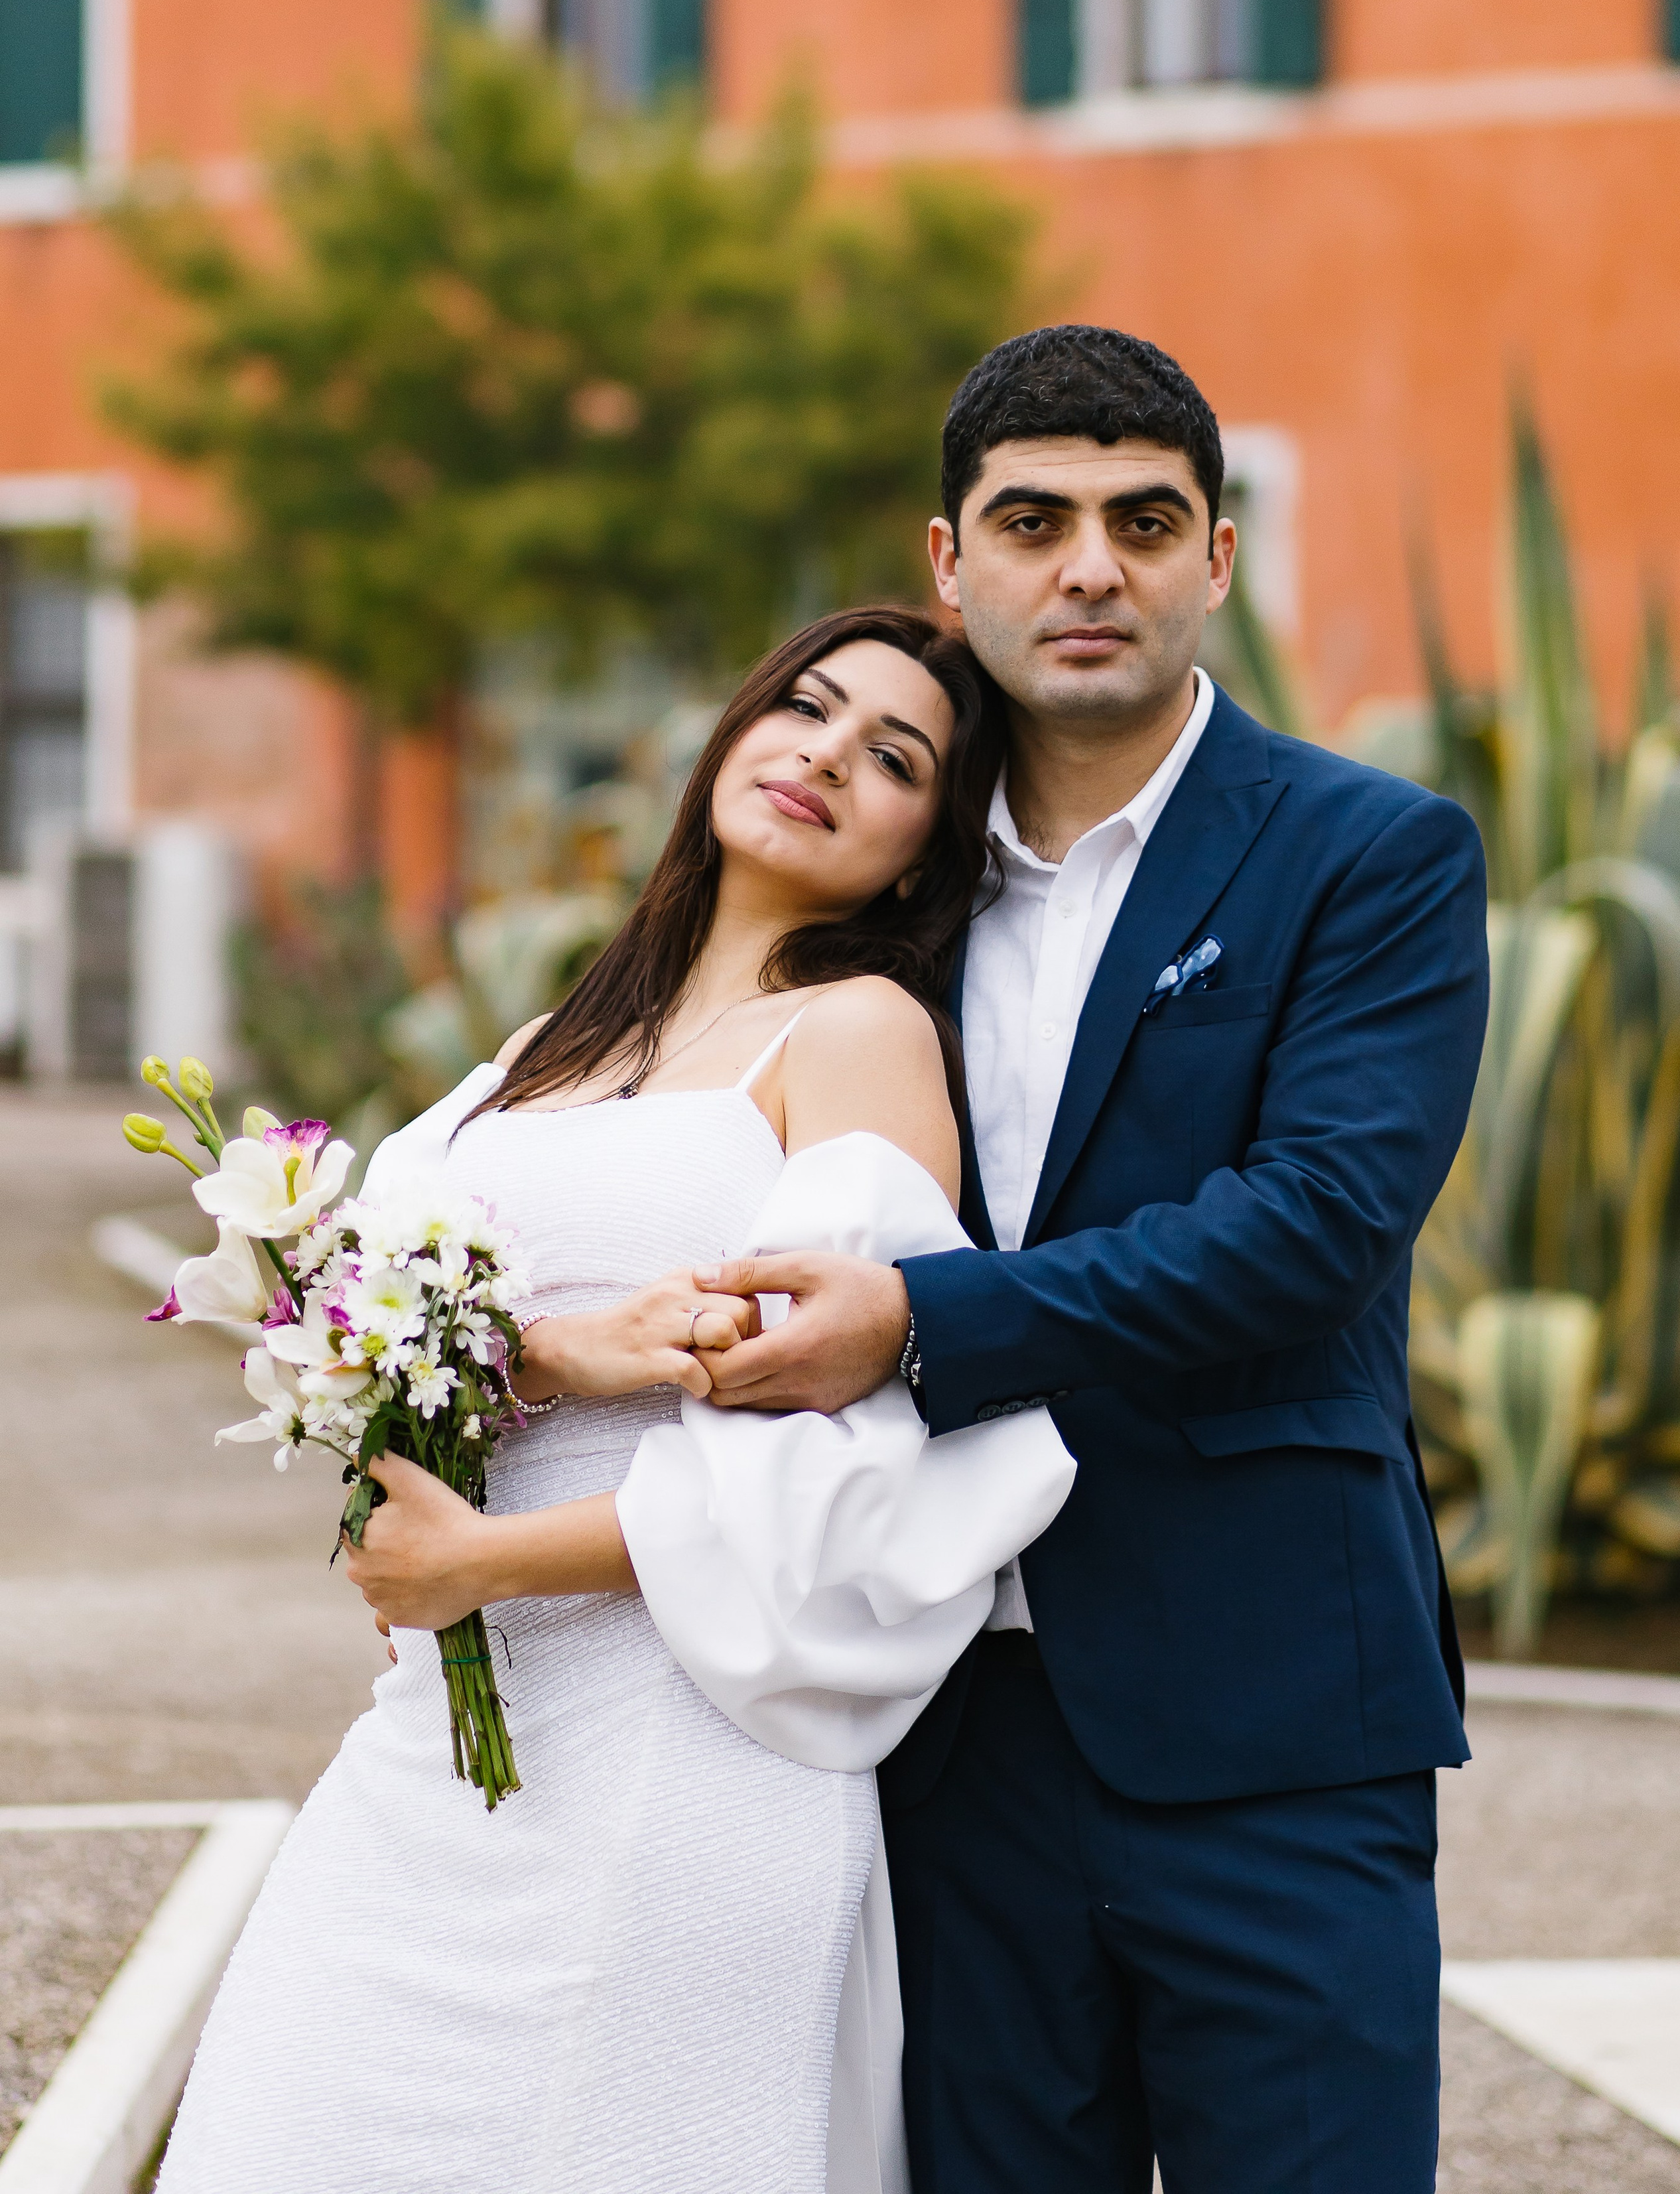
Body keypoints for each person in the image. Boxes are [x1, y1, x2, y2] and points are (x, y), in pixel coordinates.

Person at [691, 326, 1492, 2194]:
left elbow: (1310, 1233)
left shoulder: (1370, 855)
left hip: (1275, 1712)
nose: (1090, 568)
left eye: (1145, 521)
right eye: (1033, 520)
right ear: (952, 560)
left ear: (1218, 558)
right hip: (948, 1718)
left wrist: (916, 1327)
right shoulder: (884, 884)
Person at [155, 604, 1076, 2194]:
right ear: (729, 730)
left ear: (927, 855)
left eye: (893, 758)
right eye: (804, 708)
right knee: (280, 2126)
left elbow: (850, 1463)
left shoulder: (853, 1033)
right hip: (439, 1735)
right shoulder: (537, 1047)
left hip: (685, 1743)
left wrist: (486, 1562)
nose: (824, 758)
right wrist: (544, 1362)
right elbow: (368, 1336)